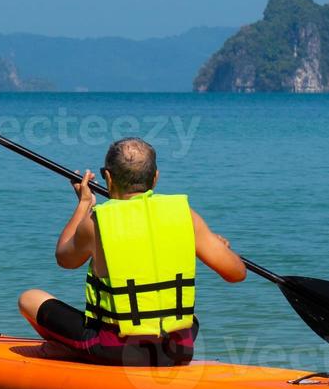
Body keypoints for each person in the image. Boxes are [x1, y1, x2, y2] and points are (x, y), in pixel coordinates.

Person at [18, 138, 246, 367]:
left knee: (30, 298)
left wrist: (83, 204)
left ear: (107, 177)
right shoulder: (186, 215)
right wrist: (211, 242)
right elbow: (236, 273)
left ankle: (73, 350)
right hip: (178, 349)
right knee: (184, 317)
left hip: (115, 351)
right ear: (155, 177)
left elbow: (64, 258)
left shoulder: (96, 221)